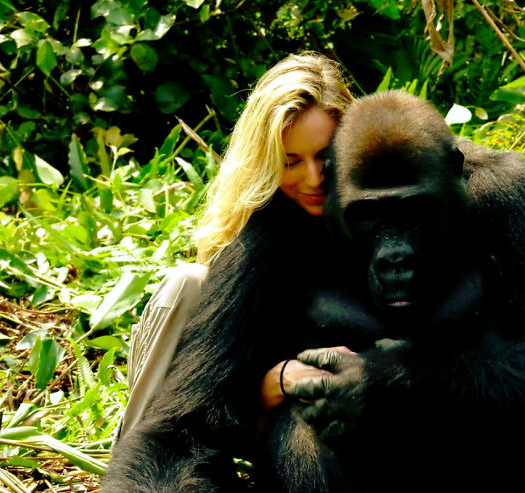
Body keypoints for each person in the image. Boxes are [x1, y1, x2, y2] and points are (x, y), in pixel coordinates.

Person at [118, 51, 353, 439]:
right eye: (291, 162)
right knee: (189, 282)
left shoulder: (375, 213)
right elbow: (208, 387)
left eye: (326, 157)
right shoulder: (254, 231)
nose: (313, 178)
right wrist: (275, 382)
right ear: (265, 161)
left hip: (326, 421)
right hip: (223, 409)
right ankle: (137, 446)